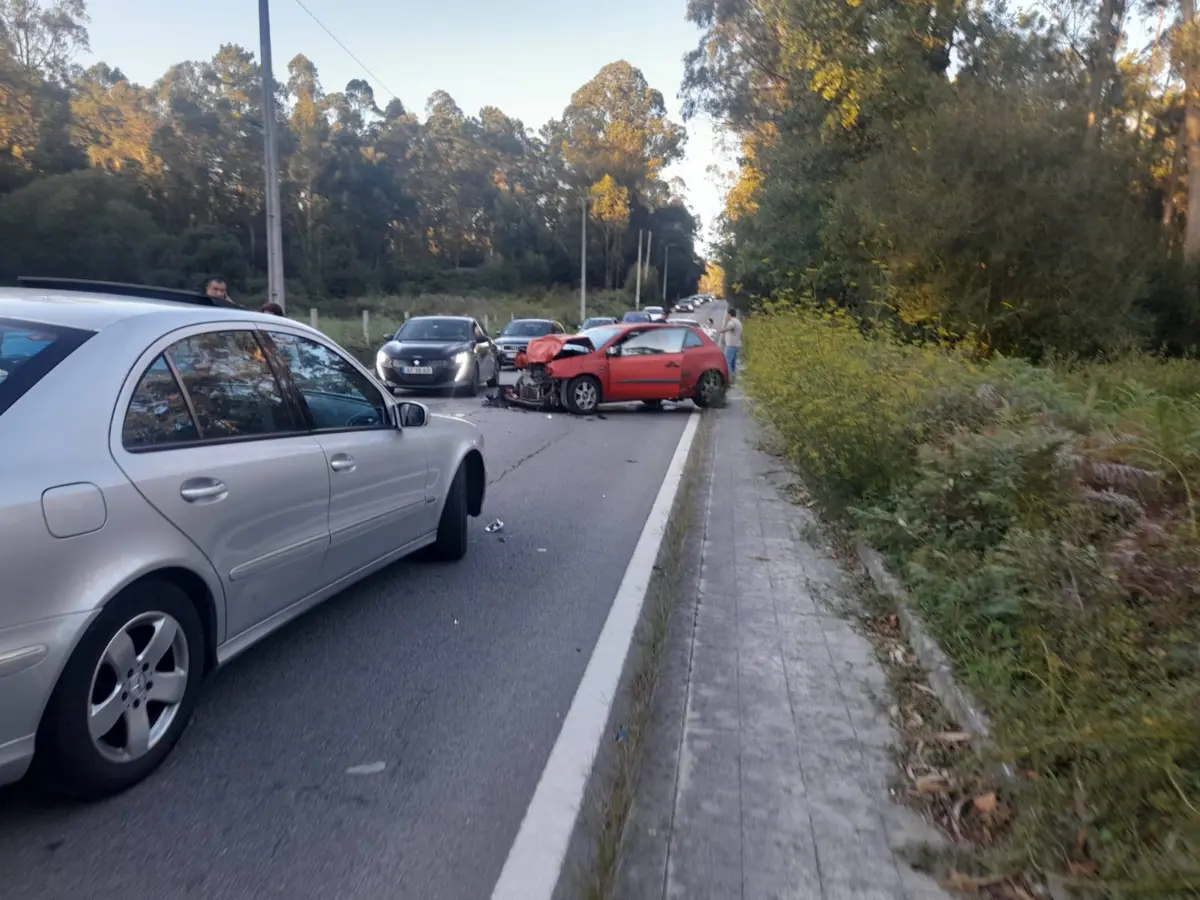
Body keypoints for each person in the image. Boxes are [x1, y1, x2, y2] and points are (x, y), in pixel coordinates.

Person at [720, 307, 742, 380]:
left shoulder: (732, 322)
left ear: (729, 314)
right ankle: (733, 377)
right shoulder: (739, 322)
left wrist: (721, 331)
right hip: (737, 345)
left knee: (727, 362)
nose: (726, 316)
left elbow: (730, 327)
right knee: (733, 363)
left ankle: (729, 378)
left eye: (727, 315)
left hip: (731, 346)